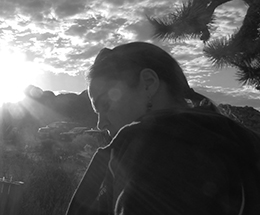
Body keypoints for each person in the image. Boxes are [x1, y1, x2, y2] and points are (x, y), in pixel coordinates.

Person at [66, 42, 260, 215]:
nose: (100, 124)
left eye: (106, 104)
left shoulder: (153, 144)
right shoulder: (240, 141)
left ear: (148, 83)